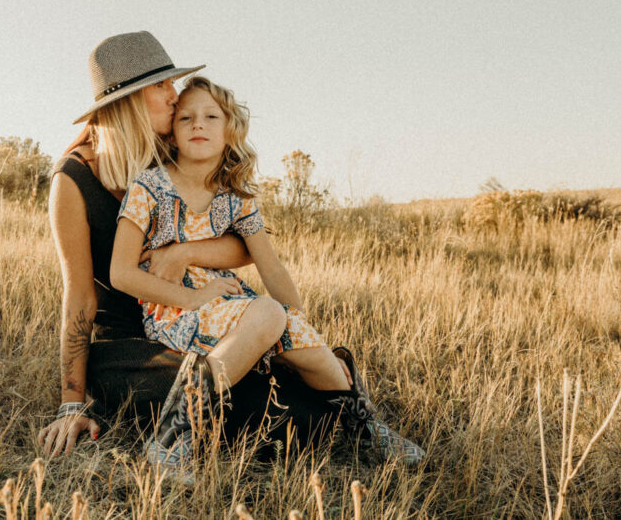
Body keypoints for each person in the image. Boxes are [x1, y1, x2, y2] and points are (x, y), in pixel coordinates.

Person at [36, 31, 421, 467]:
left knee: (302, 405)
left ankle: (351, 416)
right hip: (130, 344)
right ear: (128, 99)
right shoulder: (74, 179)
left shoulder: (170, 151)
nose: (174, 94)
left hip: (204, 316)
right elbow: (80, 297)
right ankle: (173, 440)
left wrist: (183, 253)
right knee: (255, 408)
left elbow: (242, 248)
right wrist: (71, 402)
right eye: (162, 85)